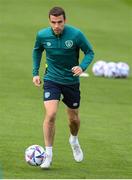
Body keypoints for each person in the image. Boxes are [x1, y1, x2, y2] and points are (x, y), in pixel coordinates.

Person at [32, 7, 94, 169]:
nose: (56, 25)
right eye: (53, 22)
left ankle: (73, 139)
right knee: (51, 114)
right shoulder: (42, 35)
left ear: (65, 21)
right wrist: (35, 73)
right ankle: (48, 156)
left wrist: (82, 67)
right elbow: (37, 51)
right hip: (51, 79)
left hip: (71, 81)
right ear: (49, 21)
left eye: (59, 22)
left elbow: (89, 52)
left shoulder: (76, 35)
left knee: (73, 119)